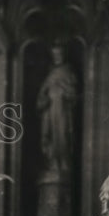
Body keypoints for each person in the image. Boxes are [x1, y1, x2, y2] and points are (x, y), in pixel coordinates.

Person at [36, 43, 78, 175]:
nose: (57, 57)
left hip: (63, 113)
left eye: (59, 54)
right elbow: (41, 97)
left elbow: (73, 94)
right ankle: (52, 163)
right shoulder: (50, 75)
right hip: (50, 113)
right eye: (55, 54)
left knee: (64, 136)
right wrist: (45, 99)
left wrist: (64, 91)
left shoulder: (69, 74)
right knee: (49, 138)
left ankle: (63, 164)